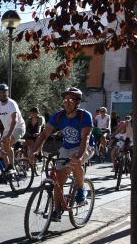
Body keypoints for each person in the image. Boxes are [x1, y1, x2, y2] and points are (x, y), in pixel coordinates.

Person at [30, 87, 94, 221]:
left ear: (77, 102)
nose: (67, 102)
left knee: (75, 161)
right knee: (58, 180)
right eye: (65, 100)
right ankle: (57, 210)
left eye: (71, 99)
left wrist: (80, 156)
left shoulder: (84, 115)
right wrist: (35, 150)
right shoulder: (58, 116)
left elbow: (85, 138)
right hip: (66, 147)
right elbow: (44, 134)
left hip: (84, 147)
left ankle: (81, 188)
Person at [0, 83, 26, 170]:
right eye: (0, 92)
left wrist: (9, 135)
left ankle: (11, 167)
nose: (3, 94)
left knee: (7, 143)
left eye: (4, 92)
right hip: (7, 129)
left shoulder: (12, 104)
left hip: (18, 127)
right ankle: (8, 168)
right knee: (3, 149)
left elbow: (15, 120)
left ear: (7, 92)